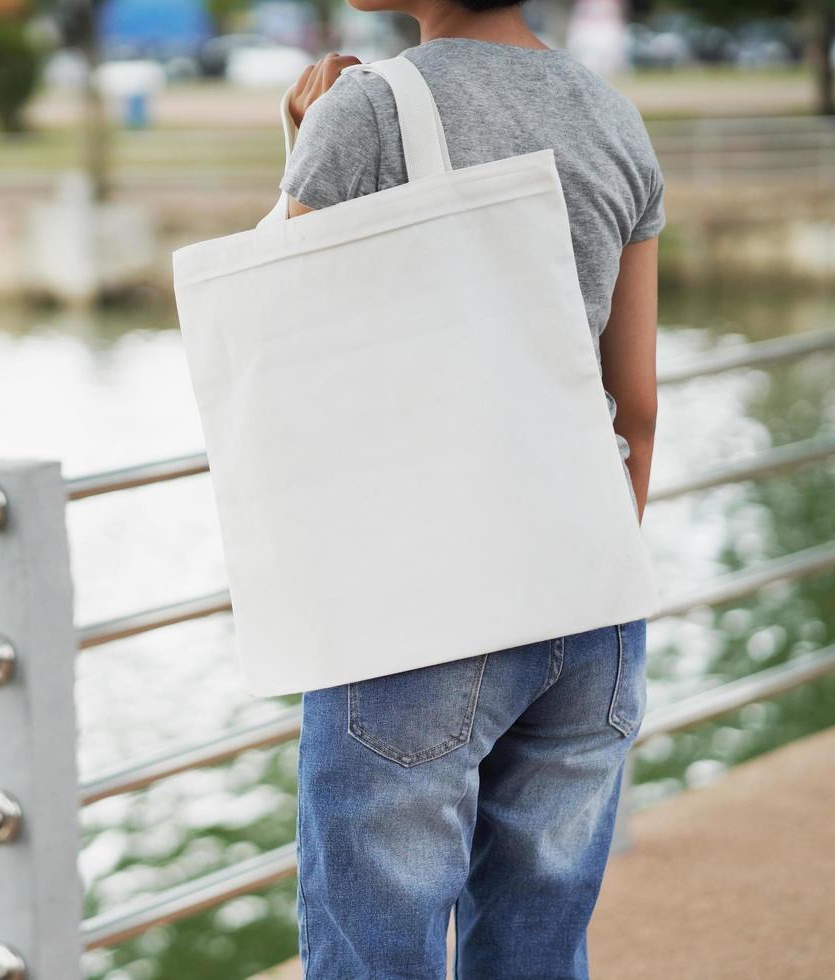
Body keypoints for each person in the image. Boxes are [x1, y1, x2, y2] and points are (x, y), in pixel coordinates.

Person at [283, 2, 664, 978]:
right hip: (592, 598)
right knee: (538, 949)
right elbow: (639, 404)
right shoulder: (614, 116)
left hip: (420, 603)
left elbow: (288, 355)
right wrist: (593, 572)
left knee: (378, 954)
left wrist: (306, 155)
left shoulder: (363, 110)